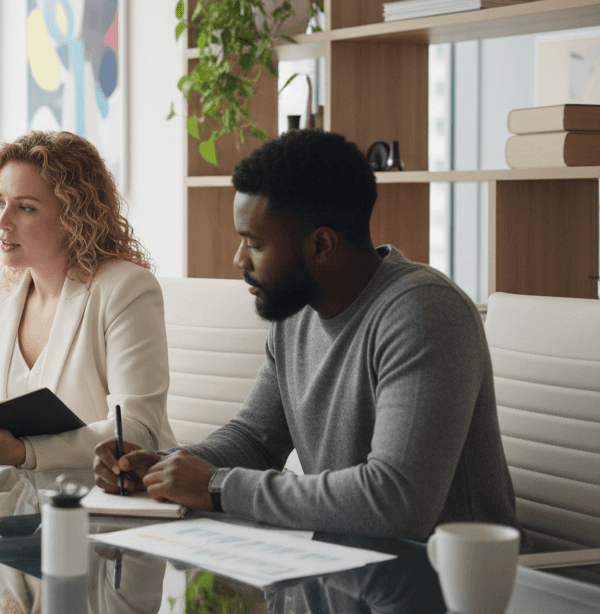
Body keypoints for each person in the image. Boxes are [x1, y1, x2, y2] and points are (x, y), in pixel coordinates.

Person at [94, 129, 520, 541]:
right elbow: (254, 441)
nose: (238, 258)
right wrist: (160, 467)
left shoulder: (424, 313)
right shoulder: (296, 314)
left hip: (440, 583)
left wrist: (218, 486)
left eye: (254, 244)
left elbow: (396, 501)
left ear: (320, 246)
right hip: (343, 563)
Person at [0, 130, 176, 469]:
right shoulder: (0, 287)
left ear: (74, 216)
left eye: (25, 207)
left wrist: (23, 452)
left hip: (117, 495)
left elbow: (136, 431)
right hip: (22, 499)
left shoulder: (126, 289)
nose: (1, 222)